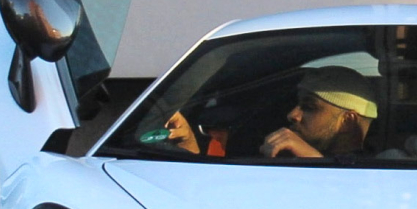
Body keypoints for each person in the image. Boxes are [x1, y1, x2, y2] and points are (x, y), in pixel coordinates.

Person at [161, 66, 380, 160]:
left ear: (348, 121)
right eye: (297, 104)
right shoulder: (284, 155)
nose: (293, 114)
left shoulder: (385, 165)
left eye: (309, 107)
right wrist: (189, 144)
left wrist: (311, 159)